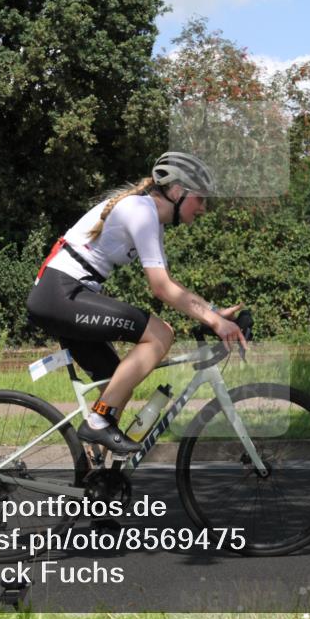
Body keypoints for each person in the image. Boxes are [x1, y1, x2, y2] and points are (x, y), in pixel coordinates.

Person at [27, 152, 247, 453]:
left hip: (65, 295)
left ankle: (96, 481)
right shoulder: (141, 212)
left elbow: (171, 285)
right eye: (201, 198)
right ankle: (96, 425)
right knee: (160, 334)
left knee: (116, 388)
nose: (204, 208)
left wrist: (212, 313)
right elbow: (161, 288)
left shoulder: (149, 218)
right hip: (61, 293)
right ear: (177, 191)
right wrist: (214, 321)